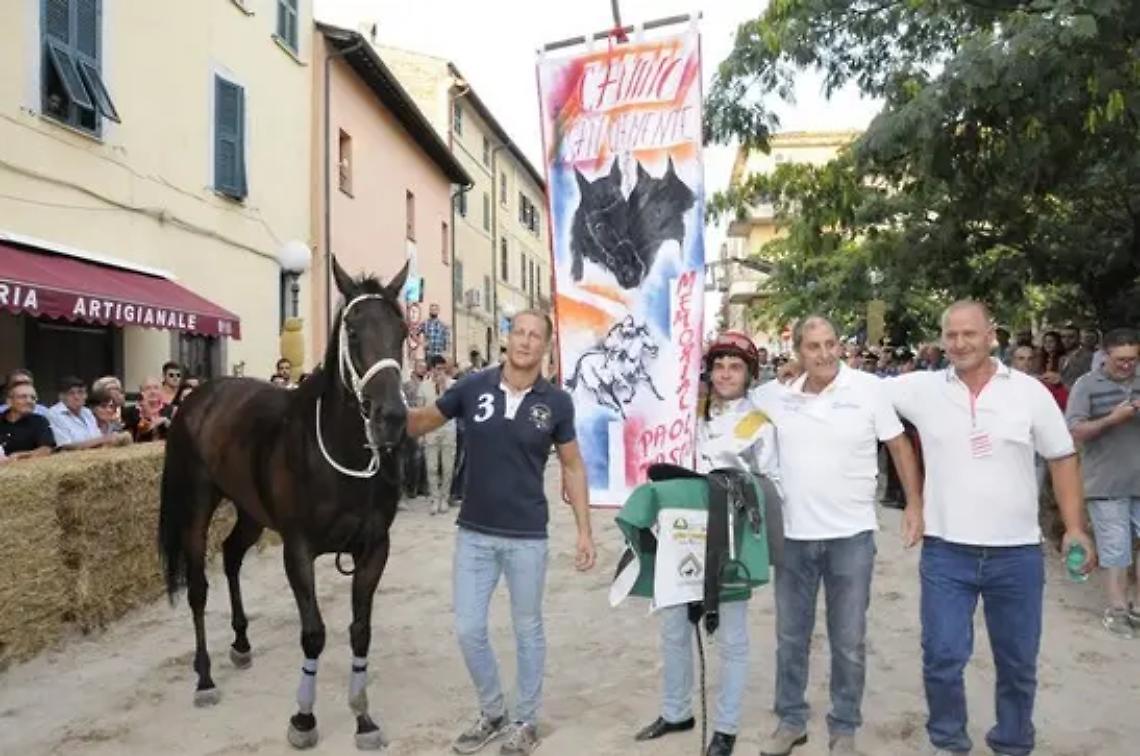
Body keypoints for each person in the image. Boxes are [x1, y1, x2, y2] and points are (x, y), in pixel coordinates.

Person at [888, 300, 1095, 756]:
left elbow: (1062, 457)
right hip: (946, 552)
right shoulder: (921, 388)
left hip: (1016, 554)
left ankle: (1013, 742)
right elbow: (855, 386)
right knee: (942, 656)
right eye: (951, 335)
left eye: (970, 334)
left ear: (991, 335)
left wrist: (1075, 527)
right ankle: (948, 741)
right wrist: (797, 374)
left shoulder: (1028, 392)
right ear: (942, 340)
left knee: (1017, 663)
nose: (960, 343)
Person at [406, 309, 596, 756]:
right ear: (507, 339)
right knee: (468, 629)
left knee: (527, 630)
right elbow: (420, 422)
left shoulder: (557, 403)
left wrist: (585, 531)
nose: (526, 341)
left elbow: (572, 466)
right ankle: (493, 712)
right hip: (473, 534)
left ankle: (525, 720)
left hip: (528, 536)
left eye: (535, 336)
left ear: (545, 346)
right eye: (519, 332)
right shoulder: (473, 387)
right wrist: (378, 399)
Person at [752, 316, 923, 756]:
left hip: (852, 537)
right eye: (813, 346)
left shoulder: (868, 389)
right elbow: (730, 405)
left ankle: (844, 727)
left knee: (848, 641)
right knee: (791, 637)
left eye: (831, 343)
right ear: (797, 351)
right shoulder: (773, 396)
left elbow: (899, 445)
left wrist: (915, 505)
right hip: (792, 537)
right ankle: (791, 721)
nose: (825, 353)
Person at [634, 331, 779, 756]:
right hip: (681, 534)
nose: (726, 374)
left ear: (749, 374)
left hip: (730, 541)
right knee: (674, 628)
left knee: (731, 637)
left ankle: (727, 726)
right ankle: (676, 710)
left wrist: (737, 488)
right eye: (719, 366)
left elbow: (771, 486)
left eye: (735, 367)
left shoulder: (760, 425)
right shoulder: (686, 413)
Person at [1066, 327, 1140, 638]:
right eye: (1121, 359)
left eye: (1133, 359)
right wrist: (1112, 419)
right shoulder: (1086, 385)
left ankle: (1137, 608)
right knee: (1116, 550)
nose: (1128, 365)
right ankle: (1117, 610)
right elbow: (1075, 430)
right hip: (1106, 483)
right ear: (1105, 355)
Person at [47, 376, 126, 451]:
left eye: (80, 392)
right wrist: (105, 439)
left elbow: (97, 438)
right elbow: (65, 447)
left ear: (86, 395)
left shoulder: (87, 412)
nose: (76, 397)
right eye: (71, 393)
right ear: (61, 396)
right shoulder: (54, 414)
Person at [423, 355, 457, 515]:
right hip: (430, 430)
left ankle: (444, 498)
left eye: (443, 369)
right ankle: (434, 498)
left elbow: (455, 406)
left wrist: (444, 388)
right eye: (437, 369)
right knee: (431, 467)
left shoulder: (453, 385)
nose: (440, 372)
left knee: (448, 467)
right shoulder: (424, 386)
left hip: (448, 429)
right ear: (431, 370)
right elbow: (420, 410)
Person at [0, 378, 55, 461]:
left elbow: (46, 449)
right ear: (9, 401)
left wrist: (23, 455)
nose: (29, 401)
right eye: (23, 397)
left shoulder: (40, 421)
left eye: (33, 398)